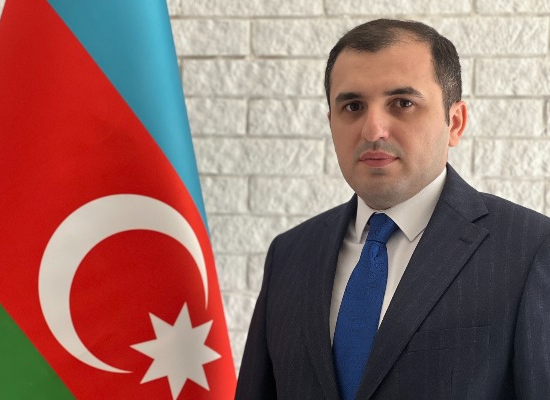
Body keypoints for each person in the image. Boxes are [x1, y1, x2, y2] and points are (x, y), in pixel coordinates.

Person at [235, 18, 550, 400]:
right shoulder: (289, 254)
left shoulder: (531, 250)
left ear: (455, 123)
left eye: (403, 103)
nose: (373, 130)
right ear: (331, 122)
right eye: (352, 106)